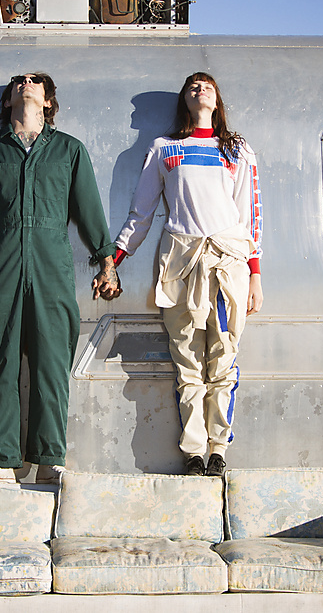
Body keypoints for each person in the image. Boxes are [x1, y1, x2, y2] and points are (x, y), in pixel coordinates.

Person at [0, 72, 120, 486]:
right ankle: (1, 461)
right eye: (19, 81)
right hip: (1, 266)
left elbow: (89, 210)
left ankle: (49, 459)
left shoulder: (68, 150)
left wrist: (106, 261)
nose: (27, 82)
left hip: (51, 268)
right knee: (0, 361)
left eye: (36, 81)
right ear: (8, 101)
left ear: (47, 101)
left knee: (51, 362)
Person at [109, 72, 263, 477]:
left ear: (217, 99)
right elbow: (141, 213)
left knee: (223, 359)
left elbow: (250, 216)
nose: (201, 90)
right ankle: (194, 451)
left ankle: (219, 450)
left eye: (208, 86)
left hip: (228, 263)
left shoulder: (236, 149)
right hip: (181, 262)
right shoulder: (164, 149)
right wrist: (116, 259)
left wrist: (256, 275)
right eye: (193, 86)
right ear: (184, 99)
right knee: (188, 361)